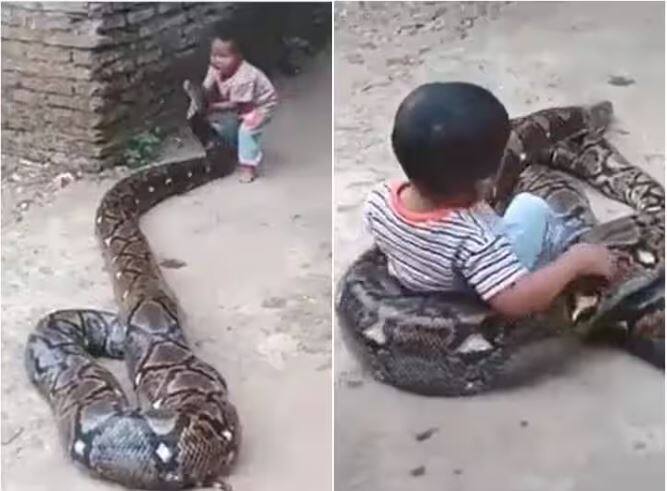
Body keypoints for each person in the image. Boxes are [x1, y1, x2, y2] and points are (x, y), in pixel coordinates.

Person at [363, 82, 616, 318]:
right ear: (485, 183)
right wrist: (574, 264)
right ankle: (574, 240)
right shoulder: (476, 240)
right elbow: (515, 301)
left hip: (423, 282)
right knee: (531, 207)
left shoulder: (378, 199)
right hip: (475, 292)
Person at [200, 34, 278, 183]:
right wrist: (203, 94)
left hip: (260, 105)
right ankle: (238, 148)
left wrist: (212, 106)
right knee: (222, 124)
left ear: (239, 56)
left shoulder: (244, 77)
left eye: (223, 56)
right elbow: (206, 88)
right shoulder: (215, 68)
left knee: (247, 130)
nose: (217, 60)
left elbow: (238, 105)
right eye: (214, 55)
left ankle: (248, 167)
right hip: (240, 102)